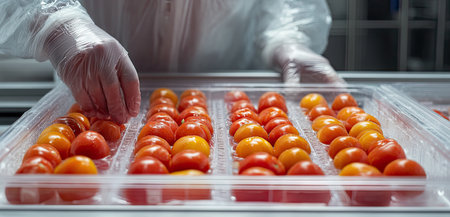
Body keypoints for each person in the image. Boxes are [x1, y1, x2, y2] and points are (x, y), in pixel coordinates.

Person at [0, 0, 342, 124]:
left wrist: (290, 41)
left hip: (226, 105)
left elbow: (289, 4)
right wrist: (58, 25)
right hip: (90, 99)